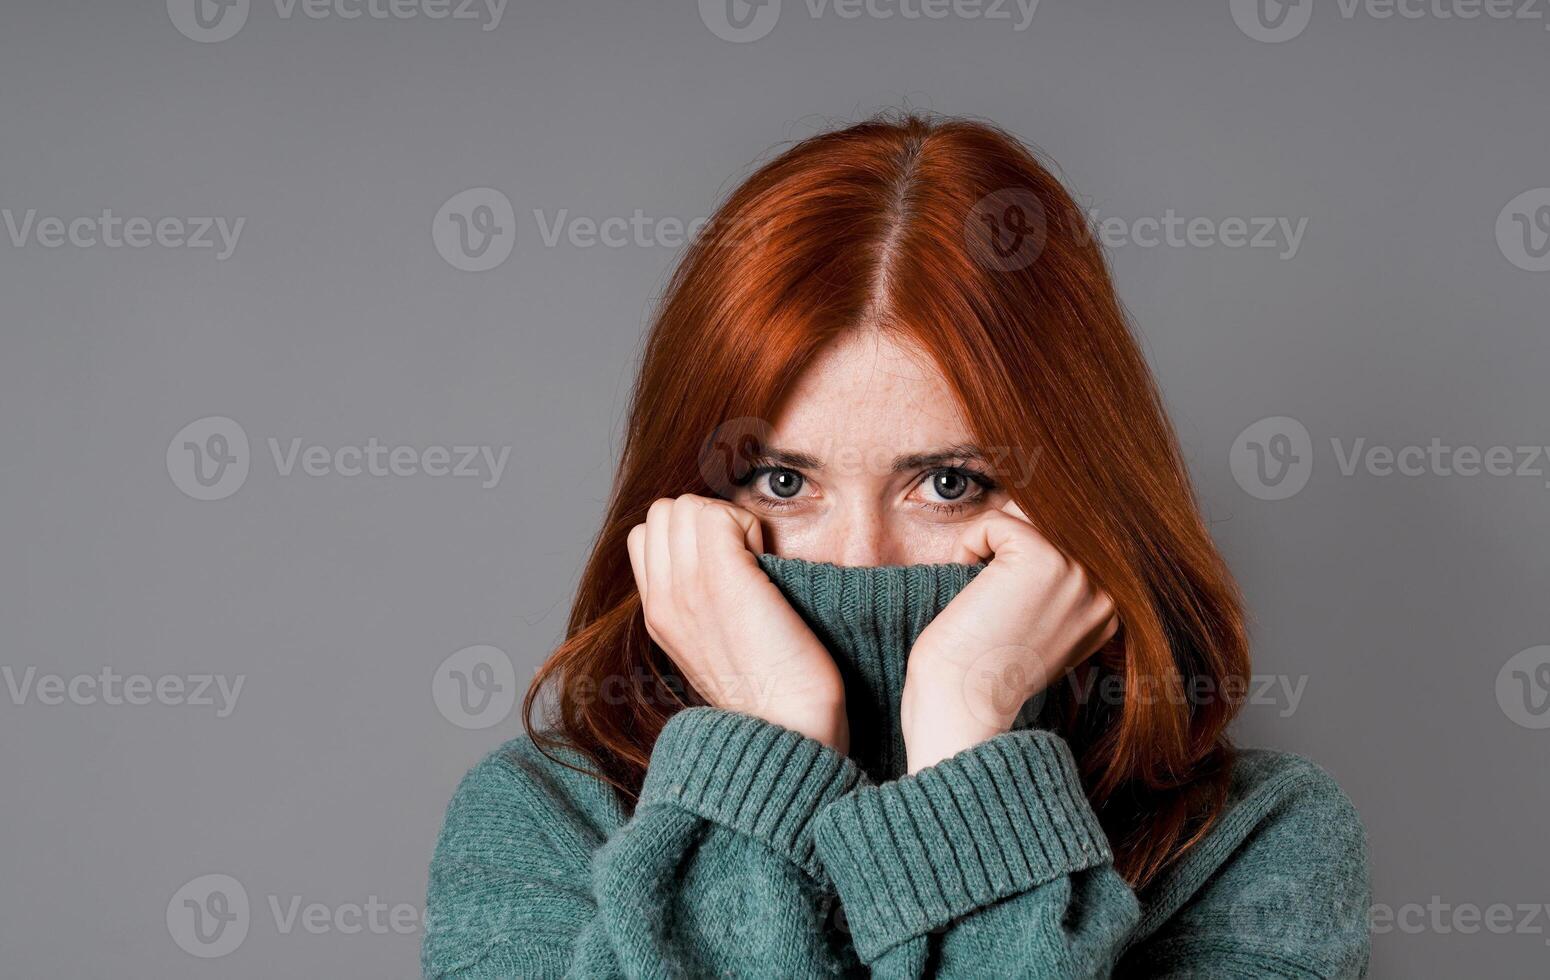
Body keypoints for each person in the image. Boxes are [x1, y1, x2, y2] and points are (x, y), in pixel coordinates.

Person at [422, 113, 1371, 978]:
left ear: (1078, 500)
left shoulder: (1255, 841)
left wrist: (968, 725)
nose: (858, 559)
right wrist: (766, 738)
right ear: (689, 501)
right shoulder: (538, 827)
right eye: (784, 481)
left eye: (948, 484)